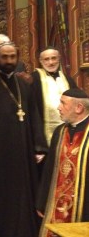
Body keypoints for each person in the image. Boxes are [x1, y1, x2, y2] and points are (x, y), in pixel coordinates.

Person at [0, 42, 48, 237]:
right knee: (1, 200)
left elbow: (35, 115)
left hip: (23, 152)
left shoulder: (24, 84)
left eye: (12, 57)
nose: (8, 61)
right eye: (4, 57)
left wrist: (39, 146)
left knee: (24, 196)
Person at [36, 88, 89, 236]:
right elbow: (48, 169)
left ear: (78, 108)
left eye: (63, 103)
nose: (58, 107)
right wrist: (42, 201)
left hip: (84, 208)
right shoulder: (59, 132)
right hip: (56, 205)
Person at [31, 46, 77, 146]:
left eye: (54, 58)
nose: (51, 62)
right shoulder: (34, 79)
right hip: (43, 136)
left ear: (59, 58)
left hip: (68, 133)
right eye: (46, 59)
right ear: (40, 61)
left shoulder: (67, 79)